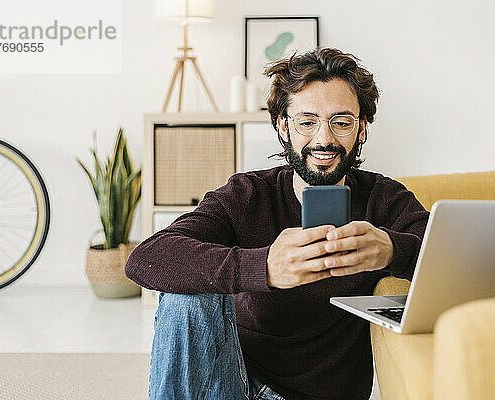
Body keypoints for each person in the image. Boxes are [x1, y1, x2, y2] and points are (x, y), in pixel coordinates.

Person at [125, 47, 430, 400]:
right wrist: (263, 267)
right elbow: (147, 258)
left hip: (317, 393)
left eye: (341, 122)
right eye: (307, 121)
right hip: (229, 385)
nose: (323, 139)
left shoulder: (383, 199)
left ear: (361, 128)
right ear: (283, 126)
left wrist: (392, 249)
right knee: (185, 297)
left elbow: (452, 256)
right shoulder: (248, 194)